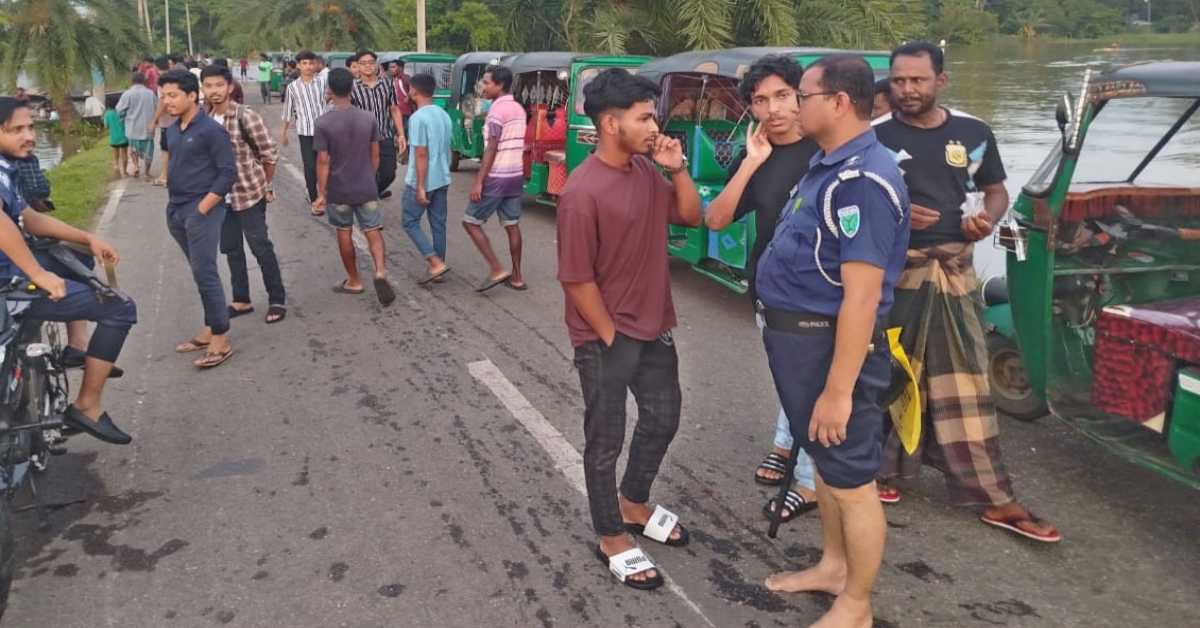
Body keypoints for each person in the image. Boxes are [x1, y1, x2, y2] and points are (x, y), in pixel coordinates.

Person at [873, 42, 1061, 543]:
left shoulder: (973, 133)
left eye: (918, 80)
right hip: (896, 273)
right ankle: (884, 471)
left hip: (955, 268)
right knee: (892, 374)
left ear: (942, 81)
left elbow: (995, 190)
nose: (908, 90)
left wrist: (987, 221)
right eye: (899, 80)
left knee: (967, 380)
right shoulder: (873, 138)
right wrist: (892, 210)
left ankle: (992, 495)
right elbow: (849, 199)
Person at [754, 54, 910, 628]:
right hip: (802, 344)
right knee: (823, 461)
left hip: (829, 349)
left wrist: (839, 390)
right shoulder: (829, 164)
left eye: (803, 94)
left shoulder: (863, 179)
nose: (794, 104)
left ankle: (856, 605)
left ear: (838, 102)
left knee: (851, 481)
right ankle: (834, 566)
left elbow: (862, 297)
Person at [556, 68, 702, 591]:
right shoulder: (582, 192)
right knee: (606, 437)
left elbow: (690, 216)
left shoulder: (646, 171)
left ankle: (634, 501)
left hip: (654, 325)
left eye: (653, 116)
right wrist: (613, 339)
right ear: (611, 124)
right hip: (606, 337)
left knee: (664, 418)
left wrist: (678, 169)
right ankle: (611, 533)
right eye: (644, 117)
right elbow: (576, 280)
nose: (654, 126)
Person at [703, 55, 823, 525]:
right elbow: (715, 219)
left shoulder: (825, 150)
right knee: (788, 372)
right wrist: (752, 164)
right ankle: (783, 443)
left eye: (782, 96)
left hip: (819, 289)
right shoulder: (757, 155)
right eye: (759, 100)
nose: (772, 109)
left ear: (801, 96)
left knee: (811, 378)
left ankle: (809, 480)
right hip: (771, 287)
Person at [0, 97, 137, 444]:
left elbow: (27, 217)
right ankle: (87, 407)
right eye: (17, 129)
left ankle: (76, 346)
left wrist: (87, 237)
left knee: (78, 259)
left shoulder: (7, 168)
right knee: (120, 308)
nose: (29, 135)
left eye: (30, 127)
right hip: (9, 284)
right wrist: (37, 273)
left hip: (13, 273)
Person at [159, 70, 237, 369]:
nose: (167, 101)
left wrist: (202, 209)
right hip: (177, 210)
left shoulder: (210, 130)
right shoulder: (174, 128)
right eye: (164, 96)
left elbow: (227, 173)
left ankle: (221, 338)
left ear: (192, 96)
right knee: (198, 271)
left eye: (173, 95)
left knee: (205, 273)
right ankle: (209, 328)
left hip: (201, 211)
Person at [201, 65, 287, 326]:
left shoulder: (244, 116)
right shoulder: (203, 119)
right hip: (219, 199)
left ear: (229, 87)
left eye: (218, 85)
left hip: (248, 193)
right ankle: (242, 299)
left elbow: (269, 152)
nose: (214, 91)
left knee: (260, 245)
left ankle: (276, 298)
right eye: (208, 86)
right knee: (231, 249)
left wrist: (267, 185)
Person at [313, 68, 396, 307]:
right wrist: (368, 177)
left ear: (329, 90)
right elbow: (376, 155)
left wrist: (321, 192)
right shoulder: (368, 118)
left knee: (344, 232)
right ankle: (380, 272)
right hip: (365, 185)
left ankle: (354, 280)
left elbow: (322, 161)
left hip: (339, 189)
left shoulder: (323, 123)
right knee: (373, 230)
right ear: (352, 88)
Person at [463, 65, 527, 293]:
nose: (483, 86)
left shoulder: (497, 112)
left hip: (497, 176)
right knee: (512, 225)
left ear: (499, 86)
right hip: (515, 176)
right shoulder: (519, 109)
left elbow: (491, 149)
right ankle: (517, 276)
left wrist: (479, 180)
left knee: (470, 222)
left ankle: (497, 268)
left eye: (487, 82)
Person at [401, 73, 452, 284]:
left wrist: (420, 186)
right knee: (438, 224)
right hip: (442, 176)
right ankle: (438, 266)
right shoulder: (443, 114)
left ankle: (434, 262)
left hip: (421, 179)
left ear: (414, 91)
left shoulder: (418, 118)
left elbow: (421, 153)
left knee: (409, 221)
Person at [349, 50, 406, 200]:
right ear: (357, 66)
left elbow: (394, 109)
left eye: (371, 63)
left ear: (376, 65)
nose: (368, 66)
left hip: (385, 135)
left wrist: (401, 134)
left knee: (389, 173)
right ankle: (368, 201)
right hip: (362, 139)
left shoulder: (387, 84)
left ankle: (371, 193)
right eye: (363, 63)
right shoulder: (353, 88)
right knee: (366, 172)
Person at [282, 50, 327, 206]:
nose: (308, 66)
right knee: (309, 165)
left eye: (311, 63)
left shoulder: (322, 83)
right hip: (305, 132)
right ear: (299, 66)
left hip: (324, 131)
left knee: (325, 163)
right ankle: (314, 197)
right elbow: (288, 110)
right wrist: (284, 133)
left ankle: (325, 194)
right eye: (304, 63)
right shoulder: (292, 88)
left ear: (315, 65)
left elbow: (329, 102)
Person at [117, 72, 158, 180]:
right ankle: (147, 172)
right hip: (148, 127)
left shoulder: (127, 94)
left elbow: (120, 110)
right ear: (144, 81)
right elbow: (157, 107)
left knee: (133, 149)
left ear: (132, 81)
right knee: (149, 151)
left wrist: (123, 119)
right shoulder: (150, 93)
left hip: (132, 127)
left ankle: (135, 166)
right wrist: (155, 121)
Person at [151, 56, 176, 186]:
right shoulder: (175, 77)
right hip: (178, 118)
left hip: (167, 121)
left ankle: (165, 177)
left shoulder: (163, 81)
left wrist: (154, 120)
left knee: (165, 150)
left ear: (156, 66)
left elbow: (162, 102)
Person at [103, 94, 129, 178]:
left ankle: (116, 167)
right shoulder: (121, 112)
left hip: (114, 138)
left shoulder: (107, 114)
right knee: (124, 154)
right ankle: (125, 172)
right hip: (124, 137)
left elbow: (106, 126)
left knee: (115, 154)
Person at [390, 60, 414, 133]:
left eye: (393, 67)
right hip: (395, 112)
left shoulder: (406, 78)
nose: (391, 69)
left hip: (405, 112)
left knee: (404, 132)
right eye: (390, 67)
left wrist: (408, 97)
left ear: (400, 68)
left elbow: (413, 88)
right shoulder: (393, 79)